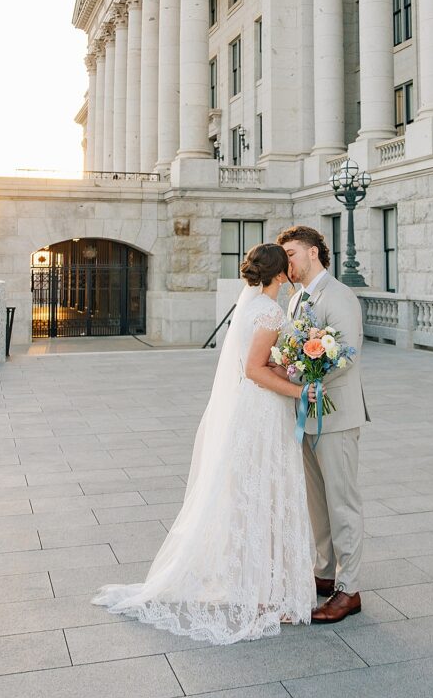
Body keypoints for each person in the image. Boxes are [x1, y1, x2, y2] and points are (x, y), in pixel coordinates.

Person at [92, 242, 317, 644]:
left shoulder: (248, 307)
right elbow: (253, 370)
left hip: (251, 411)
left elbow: (260, 361)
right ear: (280, 275)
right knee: (265, 494)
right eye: (287, 268)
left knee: (254, 496)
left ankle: (258, 582)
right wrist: (298, 390)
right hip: (263, 410)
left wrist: (287, 365)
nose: (291, 274)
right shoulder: (270, 312)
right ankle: (264, 592)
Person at [276, 224, 369, 625]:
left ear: (314, 252)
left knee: (342, 502)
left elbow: (346, 352)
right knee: (318, 503)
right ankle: (326, 572)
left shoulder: (340, 295)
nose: (288, 263)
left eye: (292, 254)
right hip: (307, 417)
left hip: (336, 414)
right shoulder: (297, 298)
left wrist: (306, 379)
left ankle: (349, 590)